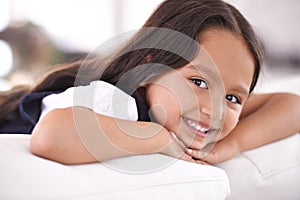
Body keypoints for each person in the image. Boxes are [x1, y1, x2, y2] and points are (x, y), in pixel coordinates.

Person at [0, 0, 299, 165]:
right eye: (198, 82)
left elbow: (293, 106)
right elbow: (50, 137)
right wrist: (159, 139)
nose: (215, 110)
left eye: (233, 98)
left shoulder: (199, 111)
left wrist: (228, 146)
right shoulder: (118, 102)